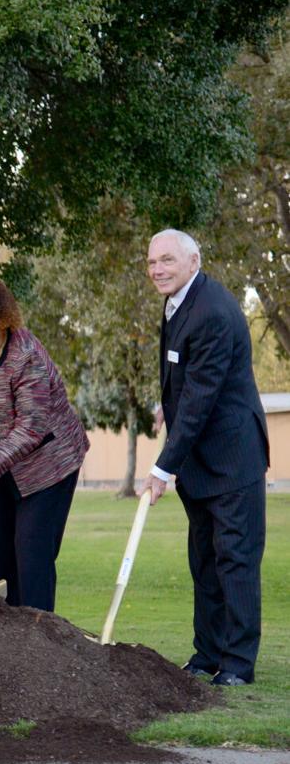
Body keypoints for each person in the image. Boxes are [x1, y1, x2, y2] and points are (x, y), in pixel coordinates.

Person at [143, 229, 268, 686]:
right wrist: (165, 405)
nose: (157, 269)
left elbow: (200, 399)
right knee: (205, 562)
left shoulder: (213, 310)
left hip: (233, 458)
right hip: (200, 461)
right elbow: (184, 374)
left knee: (235, 560)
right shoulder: (179, 300)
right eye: (152, 261)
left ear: (193, 260)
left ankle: (237, 664)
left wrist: (161, 467)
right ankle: (207, 653)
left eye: (168, 260)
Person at [0, 274, 88, 612]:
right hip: (2, 468)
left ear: (2, 320)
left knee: (32, 556)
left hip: (48, 468)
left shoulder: (27, 357)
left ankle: (40, 642)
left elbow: (32, 427)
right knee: (2, 560)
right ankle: (9, 642)